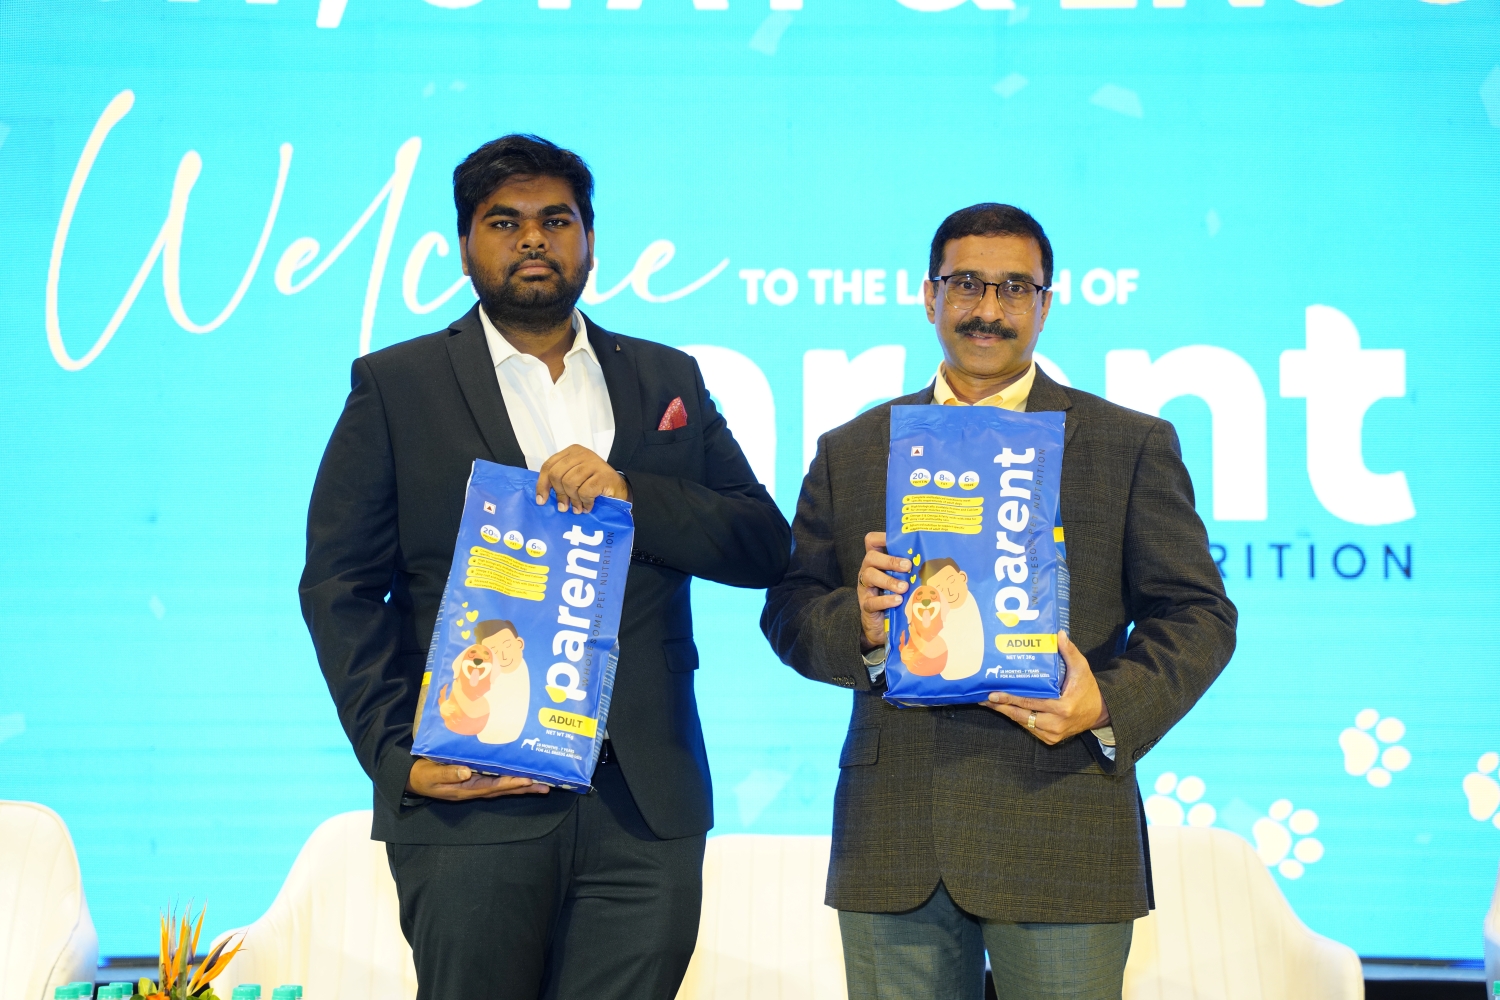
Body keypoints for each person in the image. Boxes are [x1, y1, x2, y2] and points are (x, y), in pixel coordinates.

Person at [300, 133, 790, 1000]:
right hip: (472, 792)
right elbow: (340, 587)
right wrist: (395, 754)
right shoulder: (396, 385)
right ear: (464, 246)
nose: (533, 238)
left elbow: (764, 545)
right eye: (504, 221)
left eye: (556, 220)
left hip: (643, 804)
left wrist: (634, 495)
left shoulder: (666, 377)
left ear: (590, 242)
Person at [761, 203, 1236, 1000]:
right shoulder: (854, 449)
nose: (989, 308)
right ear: (929, 296)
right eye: (967, 285)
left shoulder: (1129, 444)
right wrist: (863, 625)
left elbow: (1199, 614)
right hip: (895, 833)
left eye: (1016, 288)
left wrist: (1106, 702)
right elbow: (790, 611)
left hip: (1062, 819)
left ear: (1046, 303)